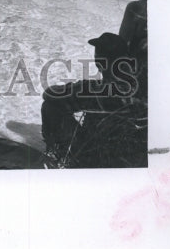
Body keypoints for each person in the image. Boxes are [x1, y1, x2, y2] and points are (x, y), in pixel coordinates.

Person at [41, 32, 137, 160]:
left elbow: (50, 94)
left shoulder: (96, 90)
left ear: (99, 61)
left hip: (94, 155)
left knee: (50, 107)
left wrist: (73, 87)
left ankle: (59, 156)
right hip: (127, 156)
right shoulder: (138, 88)